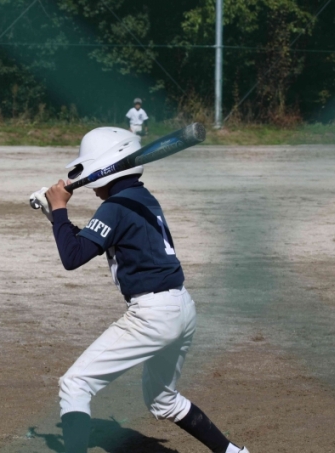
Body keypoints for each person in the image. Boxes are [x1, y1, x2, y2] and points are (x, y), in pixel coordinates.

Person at [31, 127, 249, 453]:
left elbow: (72, 257)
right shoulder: (140, 199)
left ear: (102, 167)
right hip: (182, 309)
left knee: (75, 384)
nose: (91, 187)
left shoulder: (116, 206)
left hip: (153, 314)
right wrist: (56, 216)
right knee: (164, 400)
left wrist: (60, 208)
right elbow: (85, 243)